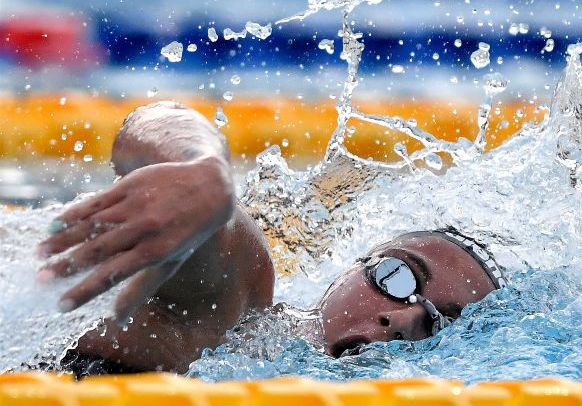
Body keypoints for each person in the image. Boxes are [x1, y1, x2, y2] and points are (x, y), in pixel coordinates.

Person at [36, 101, 505, 375]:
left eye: (438, 322)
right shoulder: (239, 322)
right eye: (398, 276)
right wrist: (202, 174)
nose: (402, 319)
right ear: (348, 271)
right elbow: (160, 120)